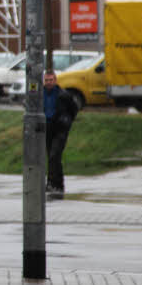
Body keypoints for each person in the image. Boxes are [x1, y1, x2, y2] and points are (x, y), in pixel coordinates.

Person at [44, 70, 78, 199]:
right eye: (46, 80)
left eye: (51, 80)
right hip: (47, 128)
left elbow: (74, 108)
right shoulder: (40, 94)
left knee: (54, 155)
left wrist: (67, 121)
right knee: (51, 157)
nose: (49, 83)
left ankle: (54, 183)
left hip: (60, 129)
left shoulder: (63, 95)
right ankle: (56, 183)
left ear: (55, 80)